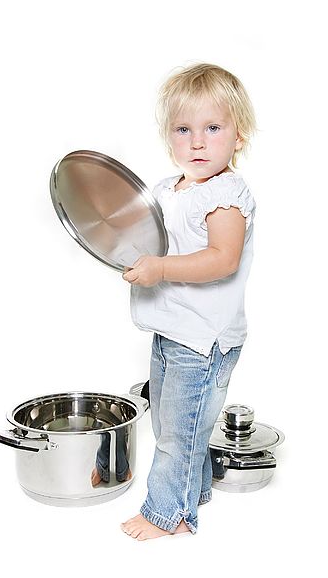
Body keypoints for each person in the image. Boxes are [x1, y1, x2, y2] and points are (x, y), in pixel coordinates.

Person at [121, 62, 257, 540]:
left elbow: (221, 259)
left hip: (203, 339)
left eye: (213, 128)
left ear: (239, 136)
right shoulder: (166, 190)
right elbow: (151, 241)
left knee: (179, 434)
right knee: (172, 422)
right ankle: (193, 491)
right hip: (170, 329)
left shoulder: (225, 193)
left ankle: (168, 516)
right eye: (184, 129)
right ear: (169, 137)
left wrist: (158, 269)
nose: (197, 142)